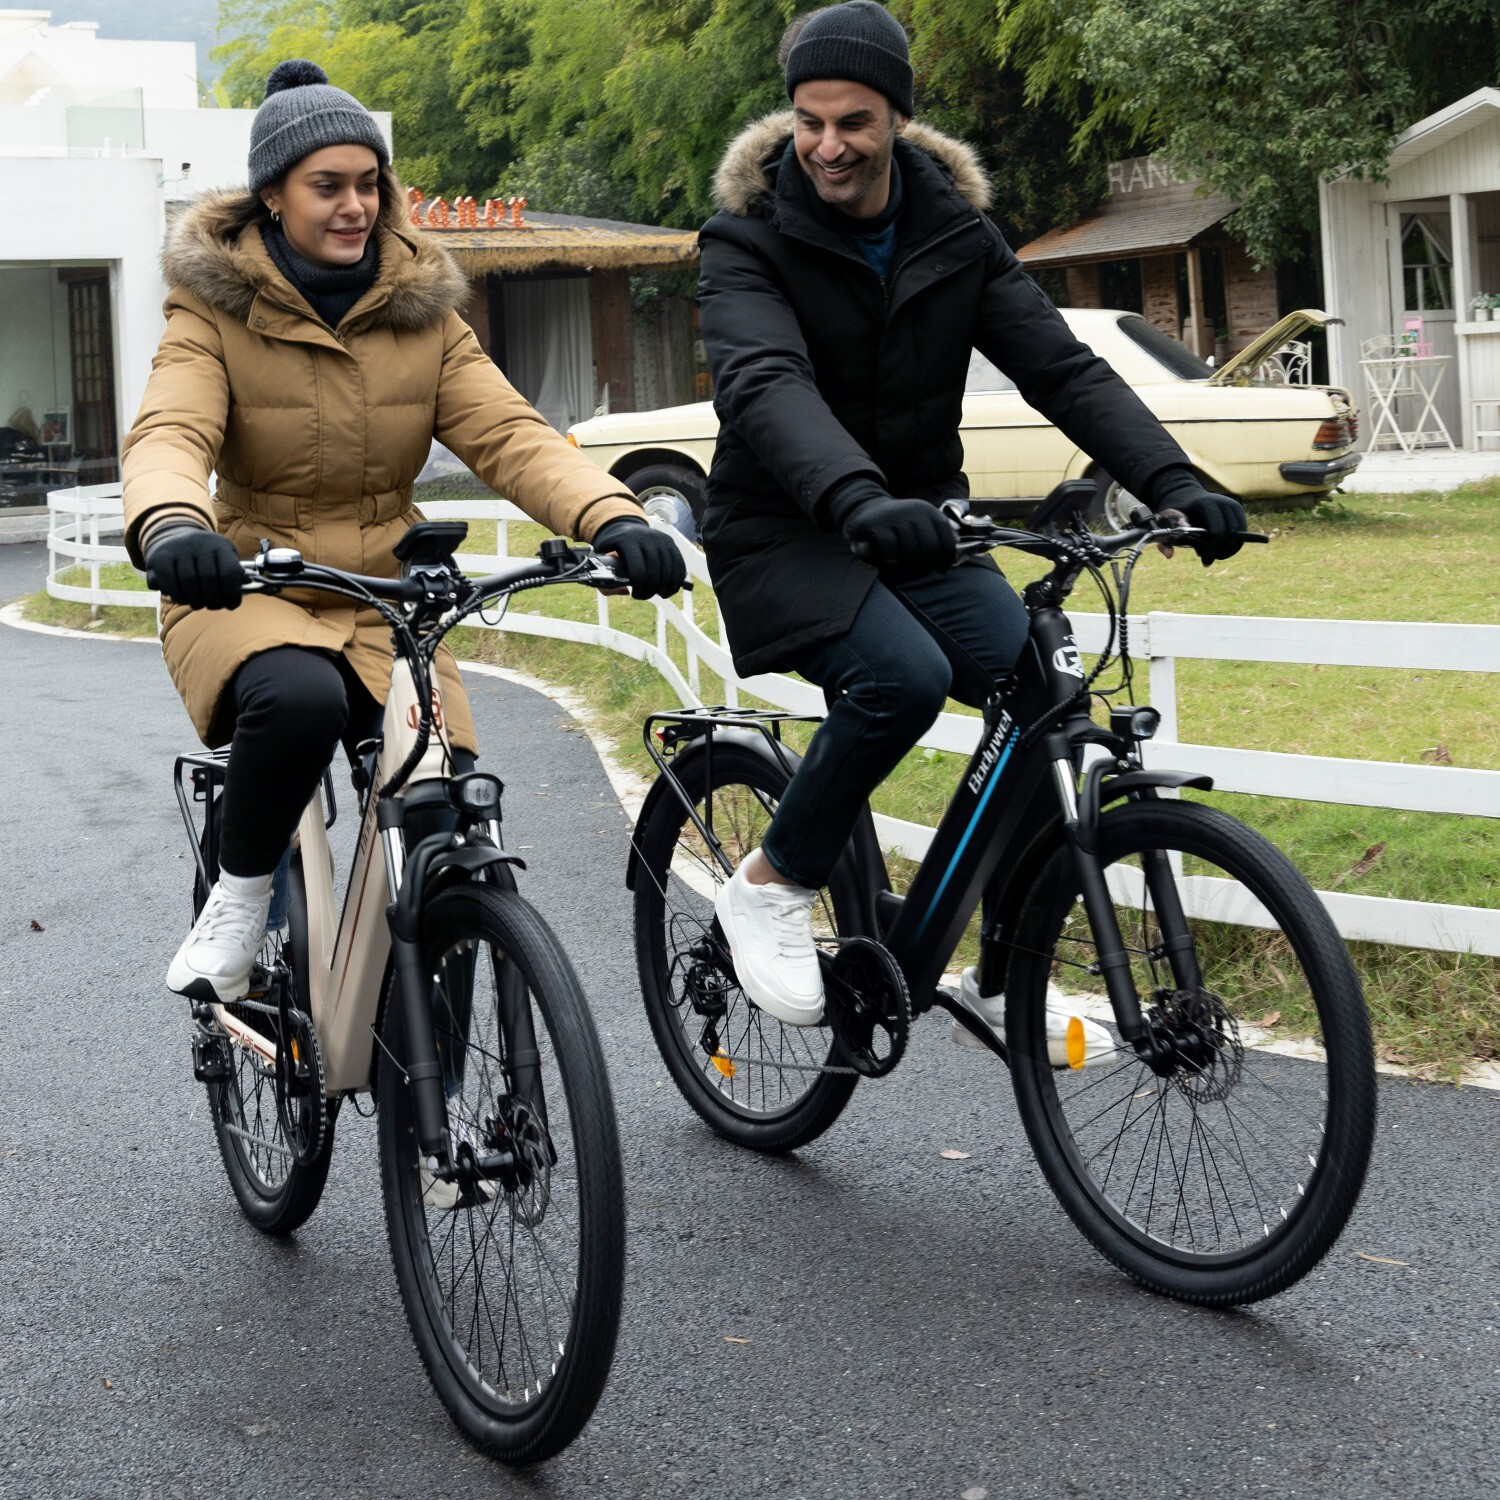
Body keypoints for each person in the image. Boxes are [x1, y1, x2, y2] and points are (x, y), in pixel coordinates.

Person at [697, 2, 1247, 1052]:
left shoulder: (957, 234)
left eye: (852, 121)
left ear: (899, 118)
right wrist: (857, 498)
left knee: (1041, 688)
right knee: (897, 677)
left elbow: (1063, 369)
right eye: (808, 121)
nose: (826, 147)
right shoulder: (747, 240)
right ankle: (772, 881)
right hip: (788, 530)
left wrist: (1176, 478)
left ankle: (1018, 960)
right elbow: (764, 385)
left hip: (919, 528)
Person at [124, 60, 686, 1006]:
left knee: (445, 831)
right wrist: (173, 522)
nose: (356, 206)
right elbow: (171, 431)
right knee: (297, 701)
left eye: (369, 183)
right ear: (272, 196)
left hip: (390, 602)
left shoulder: (426, 311)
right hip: (252, 582)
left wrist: (613, 514)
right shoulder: (211, 311)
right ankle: (240, 892)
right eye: (327, 185)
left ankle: (444, 1117)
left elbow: (510, 436)